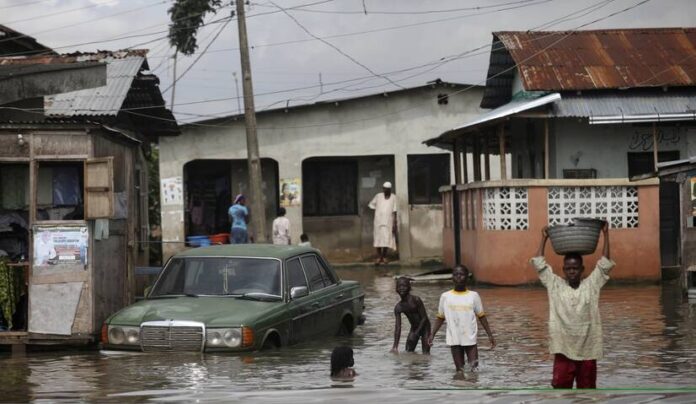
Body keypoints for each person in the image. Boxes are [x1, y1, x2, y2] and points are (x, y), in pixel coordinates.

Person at [531, 223, 614, 389]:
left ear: (582, 269)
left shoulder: (591, 285)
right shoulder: (555, 285)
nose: (572, 272)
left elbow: (604, 264)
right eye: (568, 268)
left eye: (575, 268)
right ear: (563, 269)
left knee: (588, 393)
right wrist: (543, 238)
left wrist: (605, 234)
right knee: (561, 392)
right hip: (563, 349)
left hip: (588, 349)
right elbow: (539, 264)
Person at [428, 266, 495, 376]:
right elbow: (440, 317)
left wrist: (490, 335)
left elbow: (481, 316)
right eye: (455, 274)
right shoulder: (445, 296)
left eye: (462, 274)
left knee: (475, 369)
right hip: (454, 338)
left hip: (470, 338)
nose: (459, 277)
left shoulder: (473, 296)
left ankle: (473, 388)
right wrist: (432, 334)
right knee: (460, 371)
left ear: (467, 277)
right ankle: (461, 390)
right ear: (452, 278)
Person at [391, 277, 431, 354]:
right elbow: (398, 327)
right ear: (396, 289)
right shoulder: (398, 307)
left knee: (426, 354)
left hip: (425, 328)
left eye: (404, 286)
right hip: (414, 328)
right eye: (399, 286)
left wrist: (416, 333)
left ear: (409, 288)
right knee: (408, 352)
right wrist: (395, 346)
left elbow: (424, 318)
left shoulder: (416, 300)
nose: (402, 288)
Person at [368, 181, 397, 265]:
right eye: (384, 189)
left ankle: (384, 257)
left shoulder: (393, 197)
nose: (385, 191)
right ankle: (379, 257)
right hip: (378, 221)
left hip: (388, 221)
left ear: (390, 189)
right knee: (378, 238)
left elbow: (395, 211)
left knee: (387, 239)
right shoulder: (378, 196)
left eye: (387, 189)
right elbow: (371, 205)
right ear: (383, 189)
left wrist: (395, 223)